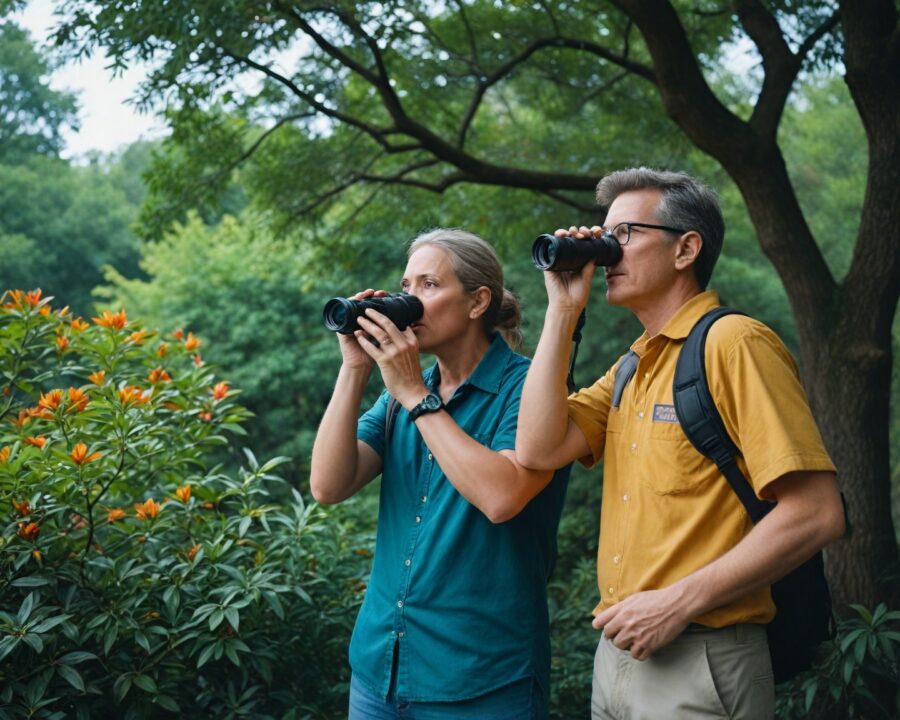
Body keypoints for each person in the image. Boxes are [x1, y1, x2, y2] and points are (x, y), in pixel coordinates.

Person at [515, 168, 845, 719]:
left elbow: (817, 513)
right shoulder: (633, 366)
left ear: (686, 248)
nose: (605, 251)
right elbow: (536, 449)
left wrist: (677, 603)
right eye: (604, 234)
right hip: (617, 656)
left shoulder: (734, 343)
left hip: (701, 653)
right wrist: (563, 309)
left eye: (624, 234)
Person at [310, 228, 571, 719]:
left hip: (482, 682)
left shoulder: (531, 388)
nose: (410, 300)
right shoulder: (401, 394)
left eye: (429, 285)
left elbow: (502, 497)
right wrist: (355, 368)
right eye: (406, 287)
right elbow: (327, 485)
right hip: (379, 674)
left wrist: (415, 396)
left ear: (478, 303)